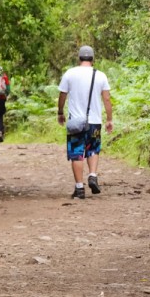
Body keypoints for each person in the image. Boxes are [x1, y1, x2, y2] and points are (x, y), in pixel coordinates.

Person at [57, 45, 113, 199]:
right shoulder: (100, 75)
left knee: (77, 154)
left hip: (75, 121)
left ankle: (79, 188)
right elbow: (107, 98)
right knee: (93, 149)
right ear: (93, 59)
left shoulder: (70, 74)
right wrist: (109, 119)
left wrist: (60, 112)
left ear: (79, 58)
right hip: (94, 121)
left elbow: (62, 95)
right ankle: (93, 175)